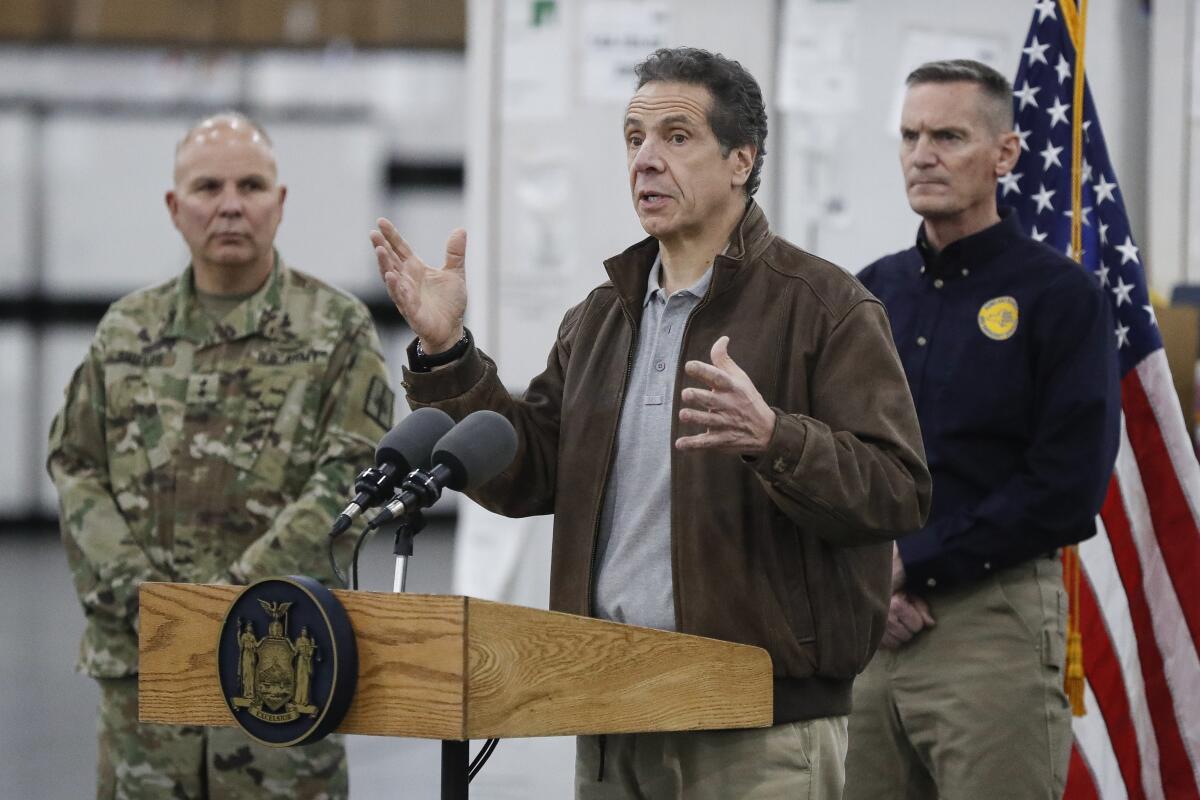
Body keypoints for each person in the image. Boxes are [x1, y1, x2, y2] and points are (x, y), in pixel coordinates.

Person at [372, 47, 931, 799]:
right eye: (633, 138)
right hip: (610, 707)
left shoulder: (824, 308)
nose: (645, 160)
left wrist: (777, 440)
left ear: (741, 159)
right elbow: (530, 467)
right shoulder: (602, 317)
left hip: (757, 725)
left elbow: (897, 491)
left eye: (675, 136)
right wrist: (446, 351)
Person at [47, 111, 394, 800]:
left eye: (251, 185)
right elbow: (76, 465)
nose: (231, 204)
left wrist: (234, 598)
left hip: (284, 666)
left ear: (281, 202)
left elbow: (352, 476)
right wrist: (145, 595)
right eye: (208, 187)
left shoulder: (337, 330)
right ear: (176, 208)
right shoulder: (125, 330)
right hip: (148, 669)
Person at [845, 60, 1120, 800]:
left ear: (1004, 155)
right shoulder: (868, 293)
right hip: (869, 623)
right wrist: (876, 571)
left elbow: (1067, 486)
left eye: (948, 135)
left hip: (988, 622)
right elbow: (833, 456)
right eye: (909, 136)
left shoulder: (1061, 298)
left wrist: (917, 562)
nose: (922, 154)